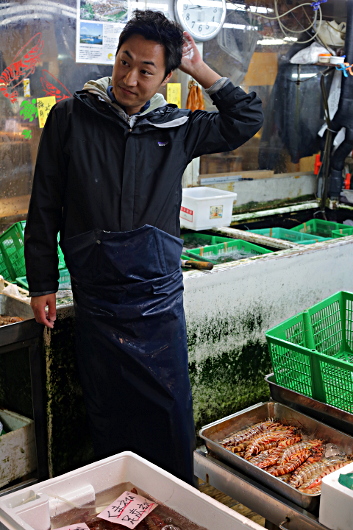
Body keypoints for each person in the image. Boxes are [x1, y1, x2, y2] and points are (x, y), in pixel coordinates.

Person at [24, 9, 263, 485]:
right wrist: (42, 283)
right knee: (107, 413)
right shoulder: (71, 117)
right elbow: (45, 204)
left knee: (169, 412)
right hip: (98, 297)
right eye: (123, 62)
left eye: (145, 70)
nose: (129, 79)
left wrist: (199, 65)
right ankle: (120, 502)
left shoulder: (178, 128)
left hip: (157, 303)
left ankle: (173, 500)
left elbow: (246, 117)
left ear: (165, 76)